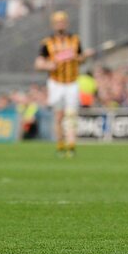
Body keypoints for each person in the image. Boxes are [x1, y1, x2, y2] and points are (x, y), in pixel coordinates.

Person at [34, 11, 93, 158]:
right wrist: (49, 66)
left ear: (66, 23)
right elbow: (39, 63)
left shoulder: (75, 40)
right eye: (57, 22)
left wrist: (84, 56)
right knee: (59, 116)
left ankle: (71, 146)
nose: (60, 24)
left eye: (62, 21)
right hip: (56, 83)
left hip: (72, 82)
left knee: (71, 115)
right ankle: (60, 145)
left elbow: (80, 59)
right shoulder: (47, 43)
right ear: (53, 24)